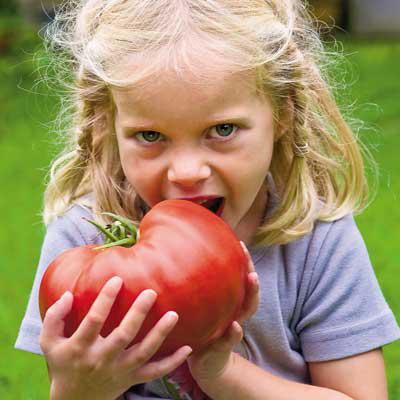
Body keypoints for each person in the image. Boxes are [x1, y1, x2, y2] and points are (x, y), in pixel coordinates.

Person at [15, 0, 400, 399]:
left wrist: (222, 372)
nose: (186, 171)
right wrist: (81, 388)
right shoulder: (84, 239)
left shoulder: (316, 241)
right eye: (150, 136)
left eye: (223, 129)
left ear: (282, 114)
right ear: (107, 125)